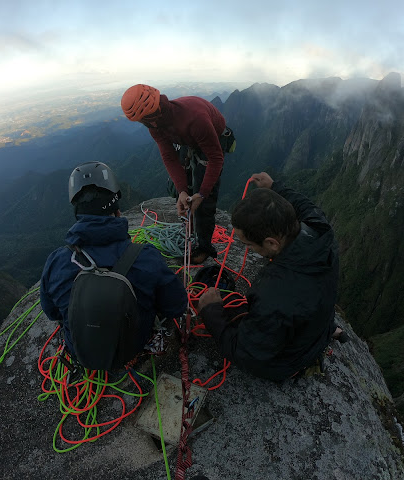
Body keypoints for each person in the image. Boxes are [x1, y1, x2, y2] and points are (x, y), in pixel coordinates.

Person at [197, 172, 344, 382]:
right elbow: (304, 205)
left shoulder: (274, 293)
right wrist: (275, 187)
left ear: (272, 243)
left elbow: (246, 354)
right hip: (317, 322)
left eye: (248, 244)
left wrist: (211, 312)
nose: (246, 248)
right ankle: (328, 331)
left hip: (290, 360)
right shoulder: (321, 231)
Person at [40, 161, 187, 364]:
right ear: (118, 212)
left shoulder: (56, 262)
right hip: (131, 347)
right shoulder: (146, 257)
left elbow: (52, 312)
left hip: (80, 352)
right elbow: (176, 306)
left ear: (77, 214)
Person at [120, 84, 233, 263]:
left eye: (149, 119)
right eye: (145, 122)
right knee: (179, 189)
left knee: (204, 200)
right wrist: (182, 191)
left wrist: (202, 193)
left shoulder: (195, 119)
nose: (150, 125)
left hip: (211, 139)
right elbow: (169, 157)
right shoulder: (154, 125)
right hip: (186, 138)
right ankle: (190, 228)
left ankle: (204, 247)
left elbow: (216, 157)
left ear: (155, 111)